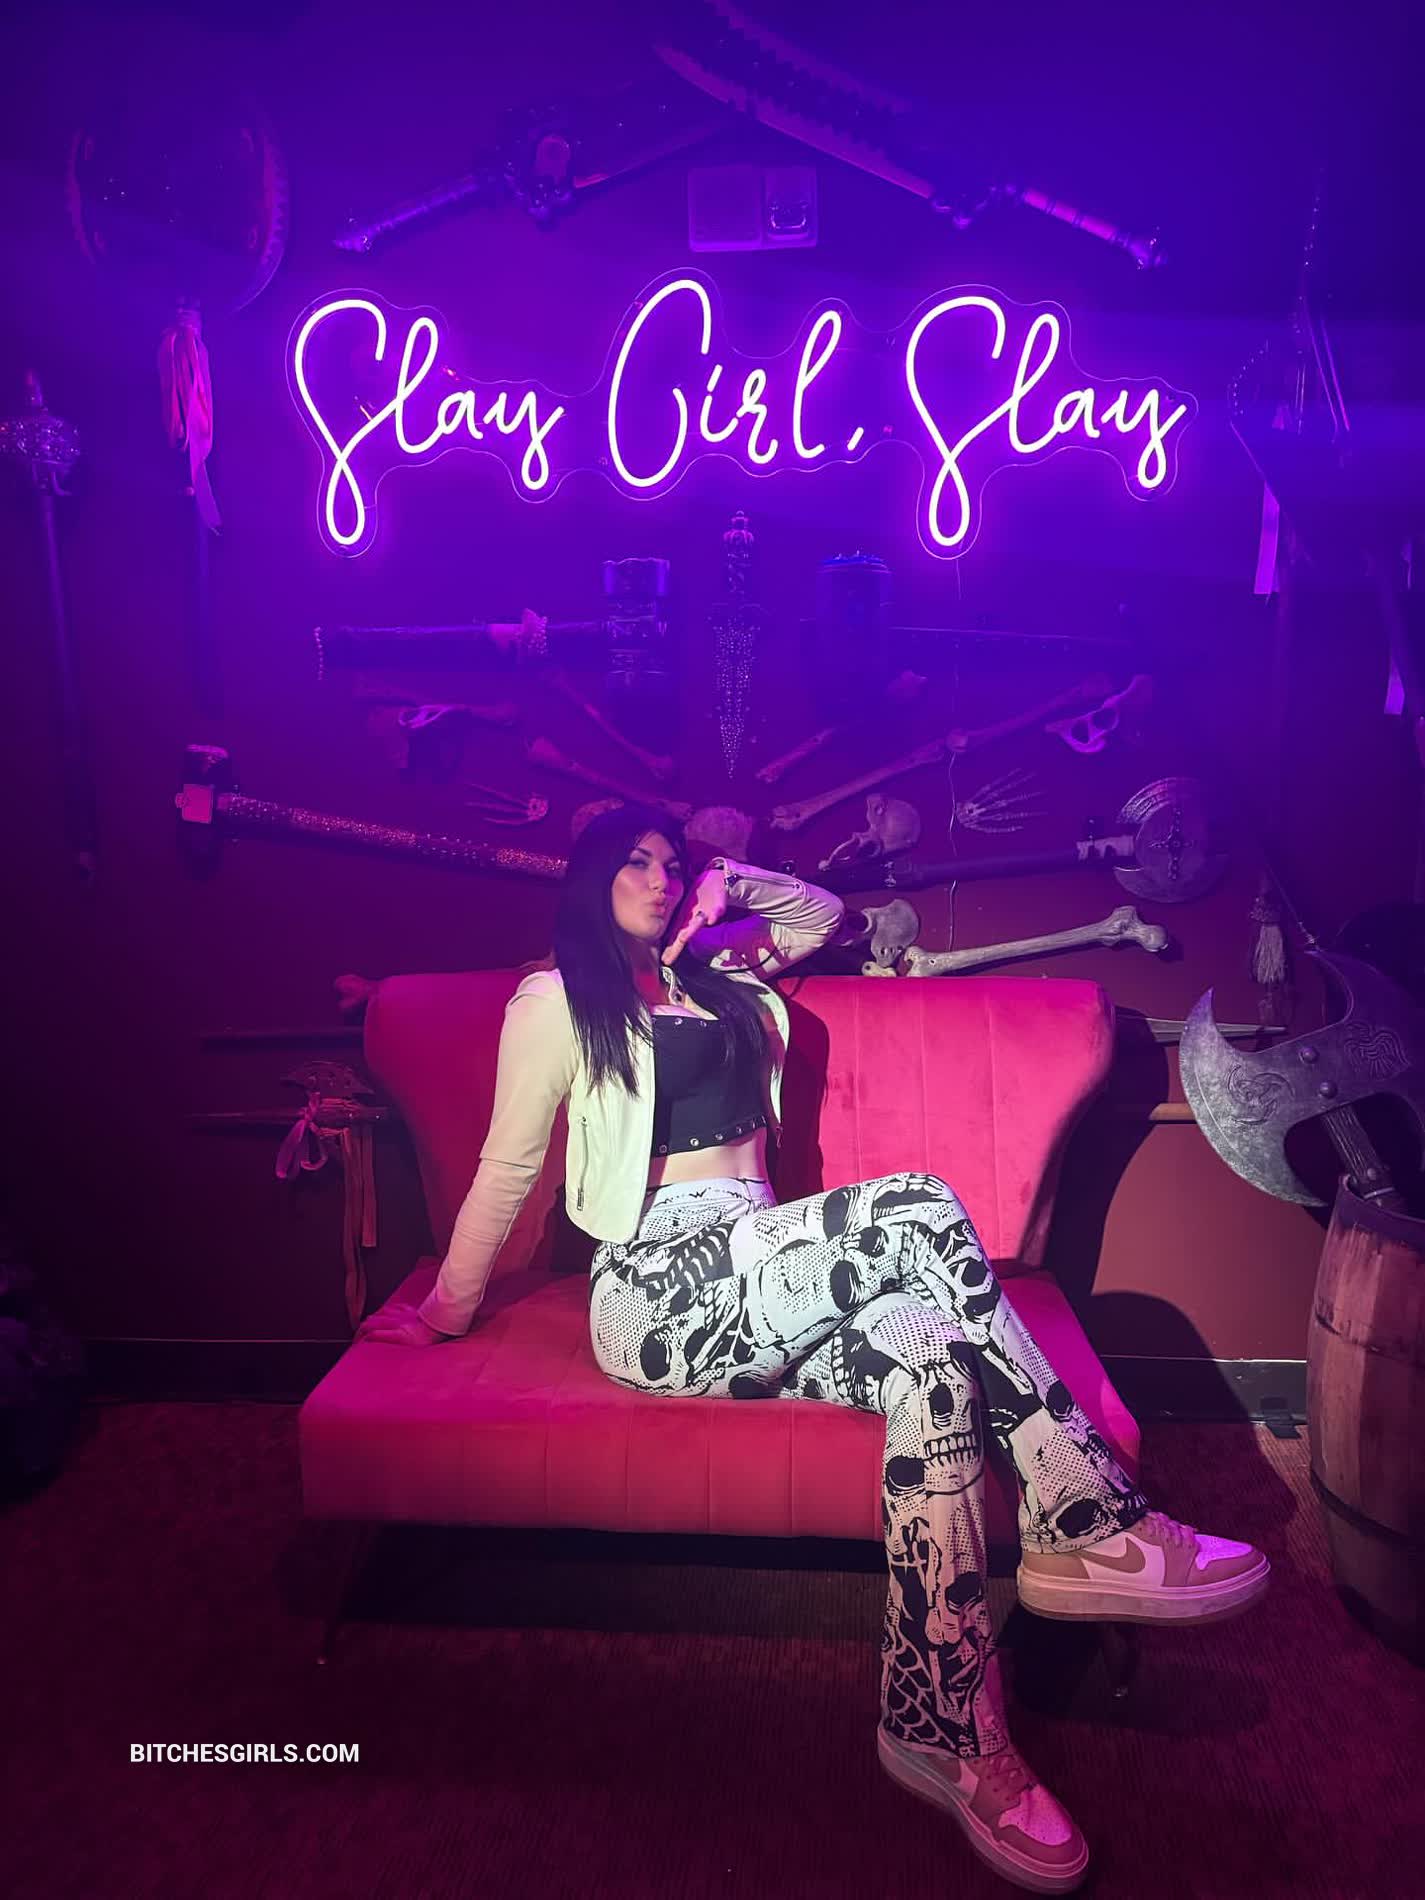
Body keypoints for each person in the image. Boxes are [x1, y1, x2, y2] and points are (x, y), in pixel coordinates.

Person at [357, 803, 1269, 1895]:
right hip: (661, 1286)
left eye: (670, 862)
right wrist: (446, 1309)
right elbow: (508, 1166)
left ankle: (940, 1724)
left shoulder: (726, 978)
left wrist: (728, 883)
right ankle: (1087, 1517)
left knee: (932, 1366)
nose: (657, 877)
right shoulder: (558, 1000)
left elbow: (822, 915)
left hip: (770, 1269)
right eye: (634, 863)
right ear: (589, 879)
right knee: (918, 1203)